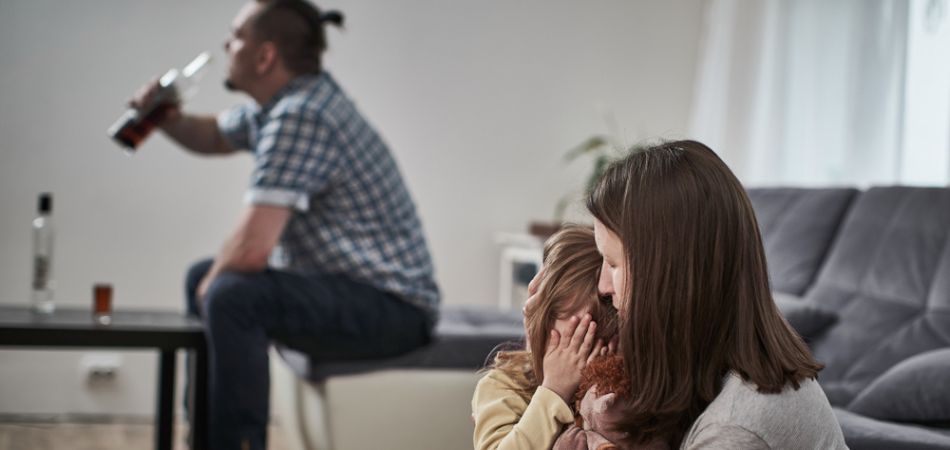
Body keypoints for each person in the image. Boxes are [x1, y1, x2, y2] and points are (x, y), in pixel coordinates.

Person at [129, 1, 439, 448]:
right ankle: (207, 435)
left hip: (393, 309)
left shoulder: (302, 115)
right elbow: (214, 135)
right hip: (355, 291)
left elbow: (252, 249)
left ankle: (236, 443)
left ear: (265, 56)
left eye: (236, 36)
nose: (225, 44)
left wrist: (213, 289)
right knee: (209, 280)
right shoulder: (285, 105)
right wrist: (163, 117)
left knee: (230, 293)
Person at [588, 140, 847, 449]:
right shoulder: (734, 377)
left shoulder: (733, 430)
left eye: (614, 263)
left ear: (670, 274)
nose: (603, 286)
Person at [471, 225, 618, 450]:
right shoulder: (504, 385)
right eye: (573, 340)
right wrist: (554, 391)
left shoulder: (616, 393)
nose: (576, 359)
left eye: (592, 342)